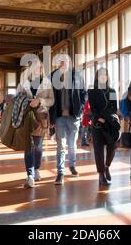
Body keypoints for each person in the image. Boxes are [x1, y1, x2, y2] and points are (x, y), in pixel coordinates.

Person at [17, 59, 54, 188]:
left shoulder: (47, 83)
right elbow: (17, 98)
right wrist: (26, 101)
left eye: (39, 68)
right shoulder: (23, 83)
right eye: (34, 68)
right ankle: (30, 175)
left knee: (38, 146)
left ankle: (36, 168)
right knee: (28, 146)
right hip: (26, 117)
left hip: (41, 117)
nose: (37, 70)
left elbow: (51, 100)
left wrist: (39, 101)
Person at [49, 54, 86, 185]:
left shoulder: (77, 75)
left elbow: (83, 94)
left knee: (72, 145)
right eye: (61, 62)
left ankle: (72, 166)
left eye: (65, 62)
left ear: (69, 63)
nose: (63, 64)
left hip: (73, 116)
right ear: (58, 63)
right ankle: (60, 172)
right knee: (61, 145)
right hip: (59, 117)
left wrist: (80, 109)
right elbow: (48, 95)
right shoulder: (52, 76)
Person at [88, 68, 119, 186]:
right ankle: (101, 174)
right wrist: (100, 118)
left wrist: (108, 118)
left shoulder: (112, 91)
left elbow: (114, 108)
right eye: (100, 75)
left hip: (110, 123)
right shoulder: (92, 92)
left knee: (112, 146)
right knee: (98, 150)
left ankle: (107, 167)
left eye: (105, 75)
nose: (103, 77)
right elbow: (93, 109)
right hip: (98, 124)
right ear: (97, 77)